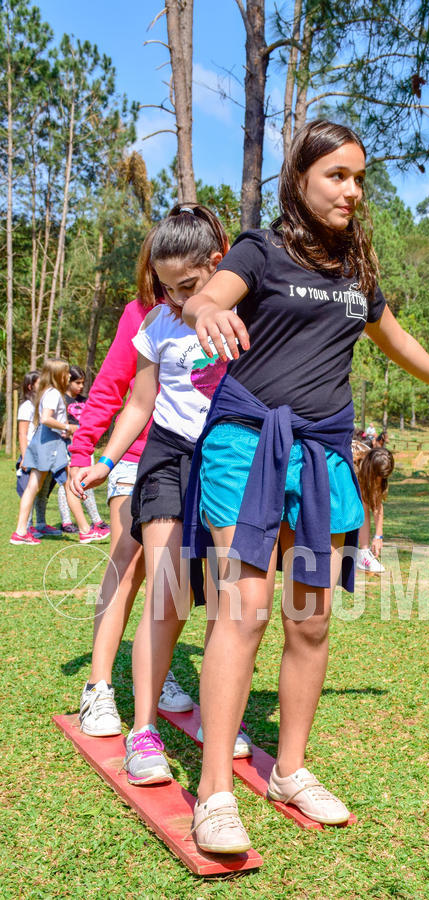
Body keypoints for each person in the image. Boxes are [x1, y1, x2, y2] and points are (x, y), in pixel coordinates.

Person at [180, 119, 429, 854]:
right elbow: (205, 299)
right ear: (301, 179)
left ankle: (288, 770)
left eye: (359, 179)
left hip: (322, 456)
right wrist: (210, 308)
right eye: (337, 176)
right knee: (245, 611)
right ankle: (216, 790)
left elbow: (394, 336)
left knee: (310, 620)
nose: (352, 191)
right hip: (247, 444)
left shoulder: (356, 273)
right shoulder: (260, 248)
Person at [72, 204, 252, 781]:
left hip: (225, 458)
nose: (175, 299)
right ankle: (143, 730)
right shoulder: (156, 326)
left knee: (228, 596)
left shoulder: (244, 314)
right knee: (167, 589)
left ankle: (215, 714)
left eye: (188, 287)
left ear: (218, 267)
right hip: (168, 459)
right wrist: (103, 458)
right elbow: (138, 404)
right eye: (166, 287)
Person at [69, 226, 193, 736]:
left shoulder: (230, 303)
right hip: (136, 453)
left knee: (180, 575)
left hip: (197, 458)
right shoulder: (142, 312)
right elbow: (113, 387)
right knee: (130, 558)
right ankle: (98, 687)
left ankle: (154, 671)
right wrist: (84, 451)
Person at [11, 360, 91, 545]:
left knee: (40, 486)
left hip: (48, 441)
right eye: (66, 373)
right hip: (51, 444)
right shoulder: (53, 393)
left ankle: (21, 531)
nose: (69, 376)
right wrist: (68, 427)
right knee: (66, 483)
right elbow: (47, 419)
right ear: (57, 375)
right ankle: (85, 530)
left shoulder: (48, 393)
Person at [56, 366, 111, 539]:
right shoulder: (61, 401)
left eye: (82, 383)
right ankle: (68, 521)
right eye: (77, 383)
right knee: (69, 484)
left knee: (84, 481)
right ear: (68, 382)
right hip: (67, 447)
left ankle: (96, 520)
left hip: (85, 447)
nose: (80, 386)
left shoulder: (85, 401)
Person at [355, 447, 395, 574]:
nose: (380, 481)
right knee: (363, 503)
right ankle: (363, 552)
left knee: (366, 500)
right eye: (378, 476)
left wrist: (378, 536)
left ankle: (363, 553)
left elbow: (377, 504)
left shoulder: (377, 464)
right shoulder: (355, 464)